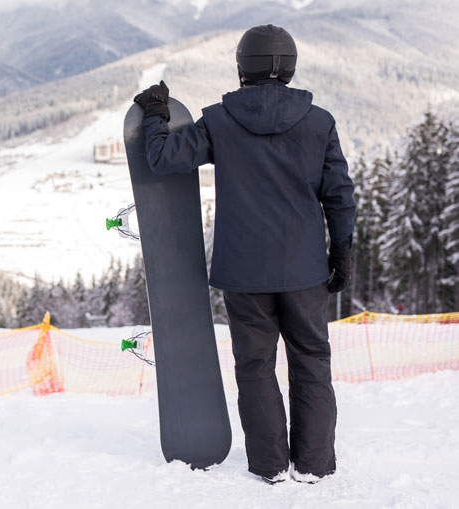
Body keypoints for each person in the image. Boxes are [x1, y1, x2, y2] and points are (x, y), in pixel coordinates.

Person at [133, 24, 356, 484]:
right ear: (290, 68)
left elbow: (162, 158)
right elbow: (339, 194)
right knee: (312, 361)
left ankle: (270, 465)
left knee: (255, 367)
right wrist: (343, 252)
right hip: (305, 269)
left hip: (244, 272)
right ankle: (313, 465)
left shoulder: (219, 120)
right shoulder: (320, 123)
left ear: (241, 67)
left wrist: (154, 112)